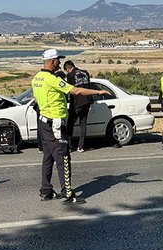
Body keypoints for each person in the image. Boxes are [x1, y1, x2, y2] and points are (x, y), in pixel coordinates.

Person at [33, 49, 109, 204]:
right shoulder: (52, 79)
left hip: (43, 123)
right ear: (52, 61)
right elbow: (77, 90)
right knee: (63, 157)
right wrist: (98, 91)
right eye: (58, 60)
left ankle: (46, 191)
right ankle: (67, 194)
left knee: (48, 157)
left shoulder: (37, 78)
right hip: (55, 124)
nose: (59, 63)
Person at [64, 60, 92, 152]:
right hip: (87, 101)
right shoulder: (85, 72)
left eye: (66, 70)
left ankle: (68, 146)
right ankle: (81, 146)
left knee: (70, 124)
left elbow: (69, 90)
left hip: (76, 103)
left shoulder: (70, 75)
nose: (66, 72)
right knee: (83, 124)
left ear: (68, 68)